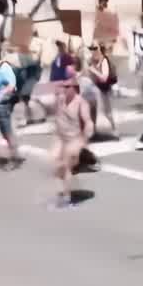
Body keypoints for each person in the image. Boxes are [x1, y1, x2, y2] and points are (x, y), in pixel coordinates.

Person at [52, 69, 94, 210]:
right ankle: (69, 189)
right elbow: (57, 117)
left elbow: (88, 121)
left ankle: (67, 197)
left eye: (67, 87)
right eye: (63, 86)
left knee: (66, 166)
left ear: (75, 89)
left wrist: (86, 136)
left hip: (75, 140)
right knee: (58, 169)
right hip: (61, 139)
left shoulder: (81, 103)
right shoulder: (60, 99)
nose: (64, 89)